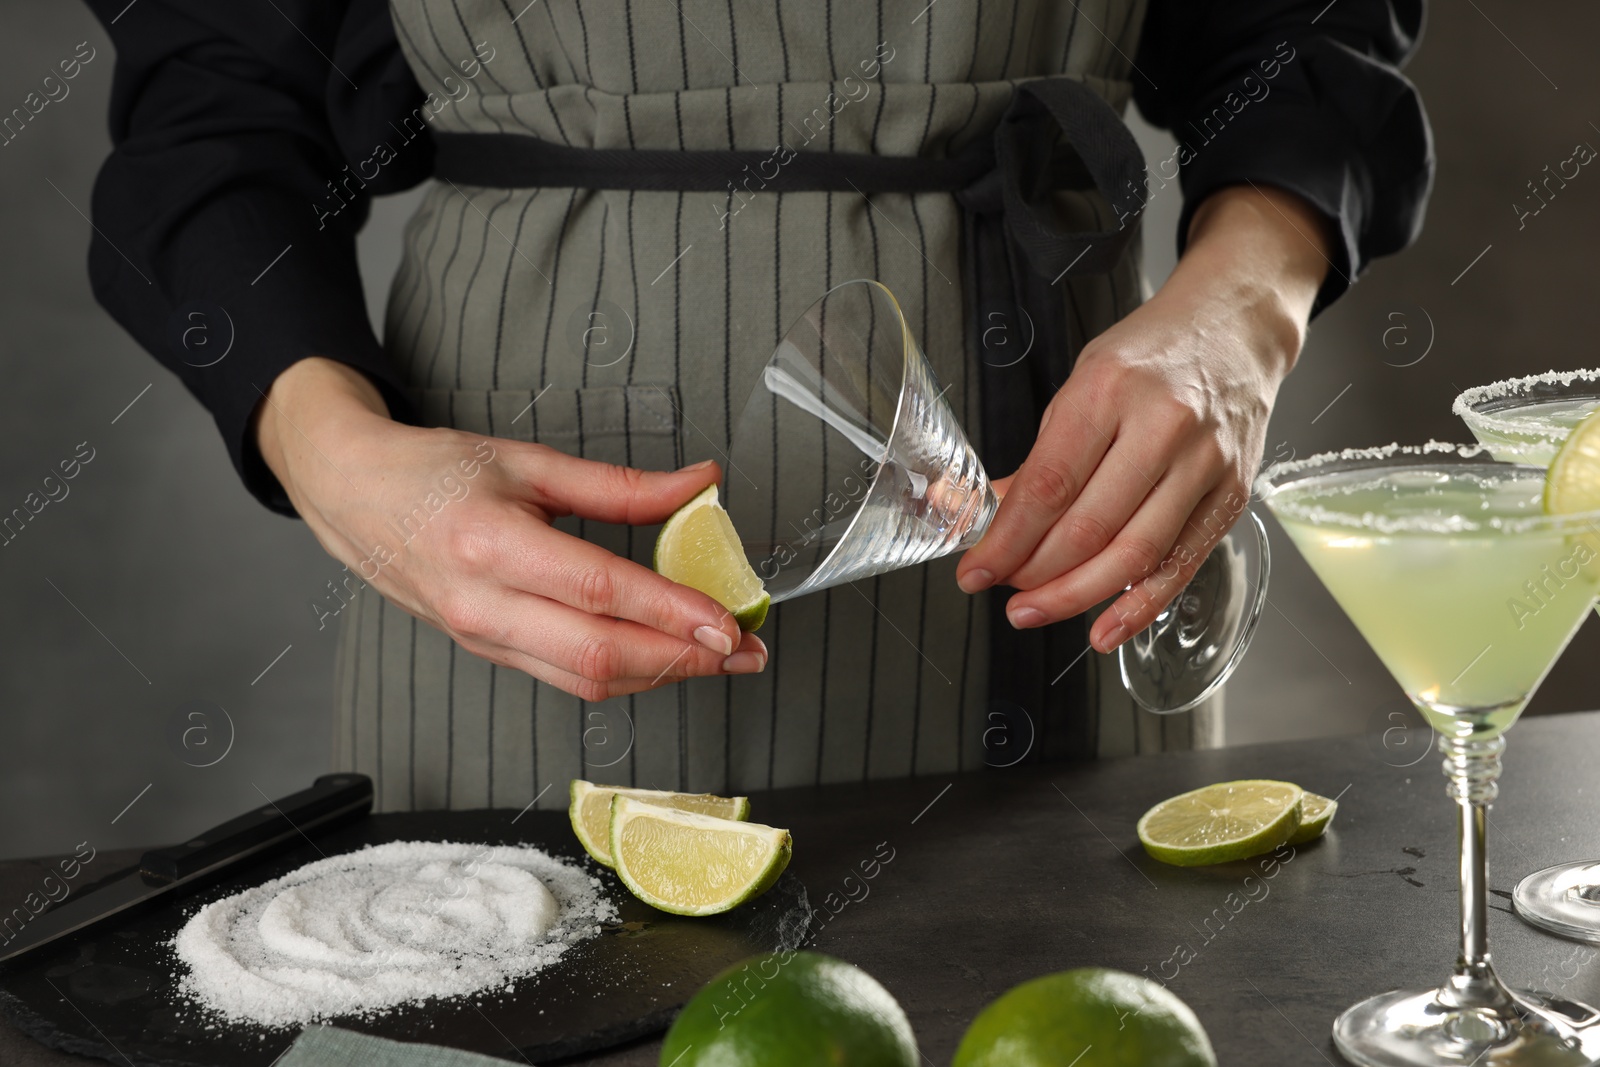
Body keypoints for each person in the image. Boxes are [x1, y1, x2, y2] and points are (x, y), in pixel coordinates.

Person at [84, 0, 1431, 811]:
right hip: (532, 577)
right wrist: (337, 459)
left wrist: (1239, 316)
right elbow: (213, 113)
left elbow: (1304, 33)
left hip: (1071, 507)